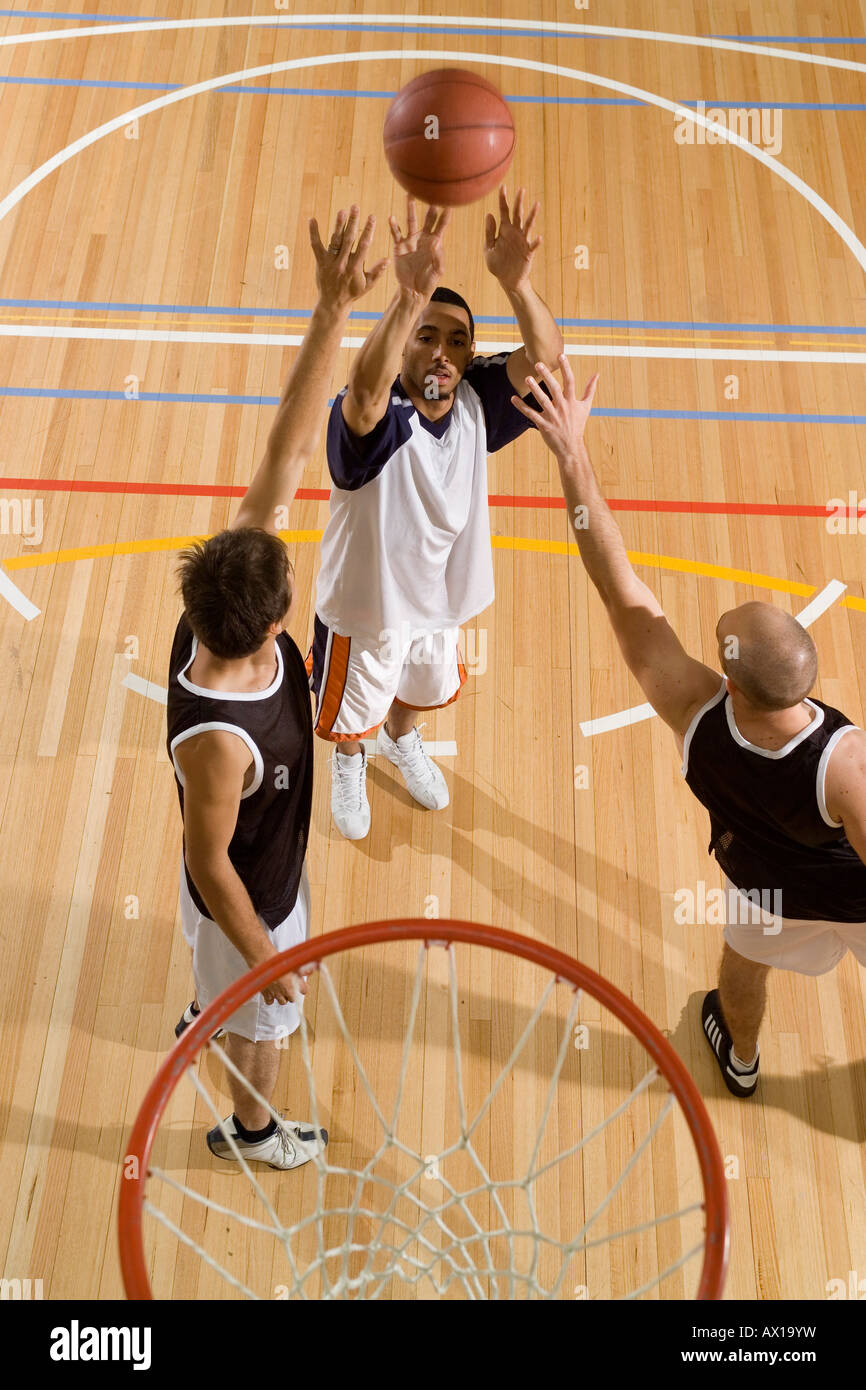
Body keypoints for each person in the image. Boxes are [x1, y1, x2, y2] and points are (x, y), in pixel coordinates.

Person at [511, 355, 866, 1098]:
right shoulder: (844, 765)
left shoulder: (694, 715)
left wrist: (572, 453)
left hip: (763, 890)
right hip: (850, 899)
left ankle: (740, 1063)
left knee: (740, 970)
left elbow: (618, 586)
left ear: (731, 682)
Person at [166, 206, 387, 1166]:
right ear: (271, 624)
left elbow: (285, 452)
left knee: (250, 1004)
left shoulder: (220, 600)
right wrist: (269, 958)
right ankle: (253, 1130)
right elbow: (211, 864)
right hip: (246, 895)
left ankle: (219, 999)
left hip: (269, 870)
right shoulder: (222, 738)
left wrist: (333, 310)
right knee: (269, 1033)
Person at [308, 187, 564, 839]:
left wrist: (518, 283)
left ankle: (399, 741)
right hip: (367, 610)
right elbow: (364, 392)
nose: (442, 353)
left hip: (436, 604)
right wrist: (407, 297)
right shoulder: (376, 420)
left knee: (417, 694)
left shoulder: (477, 405)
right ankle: (351, 759)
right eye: (427, 336)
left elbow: (544, 358)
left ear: (473, 357)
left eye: (457, 342)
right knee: (355, 708)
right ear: (404, 348)